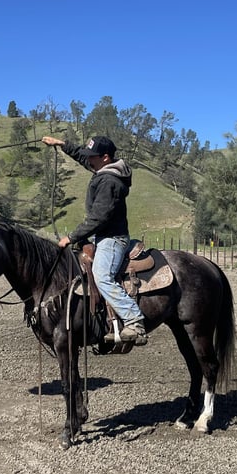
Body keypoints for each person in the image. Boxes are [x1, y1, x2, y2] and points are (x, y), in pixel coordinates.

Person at [41, 135, 147, 345]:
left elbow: (99, 217)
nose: (88, 160)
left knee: (102, 276)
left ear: (105, 157)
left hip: (112, 239)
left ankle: (134, 320)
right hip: (103, 236)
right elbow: (83, 156)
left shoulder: (109, 181)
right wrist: (63, 144)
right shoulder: (106, 170)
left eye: (93, 156)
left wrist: (71, 237)